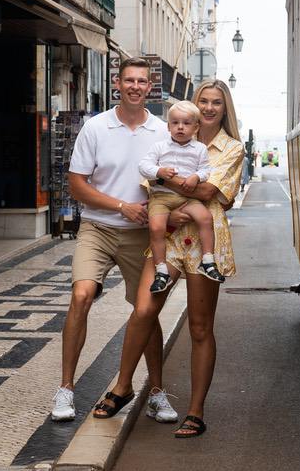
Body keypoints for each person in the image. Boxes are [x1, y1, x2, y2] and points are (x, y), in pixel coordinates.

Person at [95, 80, 244, 438]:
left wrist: (164, 177)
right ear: (193, 107)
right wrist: (168, 189)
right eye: (203, 102)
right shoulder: (164, 139)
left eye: (216, 104)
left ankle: (195, 411)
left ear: (225, 110)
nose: (209, 109)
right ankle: (123, 386)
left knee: (199, 327)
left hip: (205, 243)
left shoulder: (232, 148)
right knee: (144, 309)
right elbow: (146, 182)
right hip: (170, 236)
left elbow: (210, 191)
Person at [51, 57, 177, 425]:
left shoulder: (162, 131)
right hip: (98, 228)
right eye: (129, 81)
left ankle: (155, 392)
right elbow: (77, 185)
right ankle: (66, 389)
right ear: (117, 85)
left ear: (149, 86)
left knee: (146, 311)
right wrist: (122, 206)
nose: (135, 86)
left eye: (142, 81)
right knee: (81, 295)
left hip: (145, 235)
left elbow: (173, 179)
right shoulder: (96, 127)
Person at [138, 101, 223, 293]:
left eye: (186, 123)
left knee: (205, 217)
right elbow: (143, 166)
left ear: (195, 127)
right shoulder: (160, 147)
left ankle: (208, 260)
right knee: (156, 227)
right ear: (168, 126)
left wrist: (196, 177)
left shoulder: (199, 149)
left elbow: (206, 170)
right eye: (175, 123)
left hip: (187, 199)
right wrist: (159, 171)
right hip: (161, 198)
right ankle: (161, 270)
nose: (180, 127)